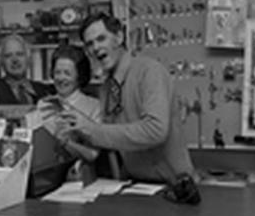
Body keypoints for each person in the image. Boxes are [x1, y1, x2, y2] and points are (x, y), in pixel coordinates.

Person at [58, 12, 195, 184]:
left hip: (173, 185)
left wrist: (92, 130)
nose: (95, 48)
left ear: (119, 37)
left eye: (101, 39)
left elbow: (156, 130)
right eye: (90, 44)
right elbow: (114, 140)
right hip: (136, 185)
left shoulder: (149, 72)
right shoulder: (107, 88)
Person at [28, 44, 101, 197]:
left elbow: (93, 155)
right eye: (57, 72)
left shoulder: (94, 106)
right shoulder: (43, 104)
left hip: (81, 183)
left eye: (67, 73)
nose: (61, 78)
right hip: (43, 185)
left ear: (79, 76)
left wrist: (68, 144)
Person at [0, 33, 50, 106]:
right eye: (8, 56)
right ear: (1, 62)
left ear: (28, 59)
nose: (15, 60)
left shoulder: (43, 90)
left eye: (20, 54)